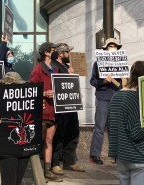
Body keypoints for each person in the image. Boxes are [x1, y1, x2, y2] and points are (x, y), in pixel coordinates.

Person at [0, 72, 37, 185]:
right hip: (7, 148)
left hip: (23, 147)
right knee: (9, 181)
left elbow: (32, 119)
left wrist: (38, 107)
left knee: (17, 180)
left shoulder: (25, 99)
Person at [50, 43, 85, 175]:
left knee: (73, 132)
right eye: (67, 52)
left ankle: (69, 161)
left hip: (71, 105)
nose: (69, 54)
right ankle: (55, 162)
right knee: (59, 134)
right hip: (61, 108)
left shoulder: (66, 66)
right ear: (61, 54)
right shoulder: (54, 66)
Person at [29, 42, 62, 182]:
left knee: (49, 140)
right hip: (42, 111)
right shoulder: (37, 69)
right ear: (46, 53)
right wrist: (44, 93)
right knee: (39, 141)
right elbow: (31, 89)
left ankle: (47, 171)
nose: (55, 52)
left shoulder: (56, 69)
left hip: (53, 110)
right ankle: (38, 172)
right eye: (53, 50)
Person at [89, 38, 123, 165]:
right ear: (105, 49)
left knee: (116, 128)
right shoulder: (97, 64)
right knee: (99, 127)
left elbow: (125, 83)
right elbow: (92, 81)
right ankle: (95, 155)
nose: (112, 47)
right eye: (110, 46)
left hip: (117, 98)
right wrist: (104, 82)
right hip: (103, 98)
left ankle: (116, 155)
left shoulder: (122, 63)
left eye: (114, 46)